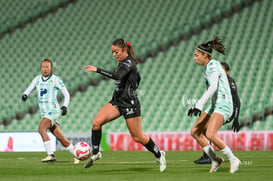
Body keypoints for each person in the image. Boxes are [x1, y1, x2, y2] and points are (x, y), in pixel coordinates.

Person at [84, 38, 166, 172]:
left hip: (130, 104)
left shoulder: (128, 63)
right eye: (112, 52)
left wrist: (97, 69)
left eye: (116, 52)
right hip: (116, 102)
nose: (114, 54)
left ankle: (159, 154)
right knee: (96, 123)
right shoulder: (122, 63)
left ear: (124, 50)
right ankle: (96, 153)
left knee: (138, 137)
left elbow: (117, 76)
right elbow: (137, 78)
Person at [188, 37, 240, 173]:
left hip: (224, 103)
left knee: (210, 134)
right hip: (214, 105)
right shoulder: (208, 67)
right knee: (195, 132)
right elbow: (211, 90)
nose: (195, 58)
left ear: (205, 55)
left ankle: (233, 159)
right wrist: (197, 106)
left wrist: (198, 105)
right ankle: (215, 159)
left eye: (196, 55)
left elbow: (213, 87)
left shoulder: (213, 65)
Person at [22, 58, 79, 164]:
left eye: (47, 67)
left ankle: (50, 155)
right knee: (60, 137)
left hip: (53, 110)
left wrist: (65, 106)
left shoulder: (55, 79)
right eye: (43, 67)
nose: (45, 69)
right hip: (44, 112)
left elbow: (66, 93)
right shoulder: (37, 79)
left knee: (41, 129)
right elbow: (30, 87)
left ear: (51, 68)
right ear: (40, 68)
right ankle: (78, 154)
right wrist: (25, 94)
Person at [194, 62, 241, 164]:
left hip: (227, 109)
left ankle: (213, 157)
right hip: (217, 107)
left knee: (208, 132)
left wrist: (236, 118)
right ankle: (210, 156)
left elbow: (237, 100)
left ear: (227, 72)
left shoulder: (229, 81)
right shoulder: (215, 80)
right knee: (201, 129)